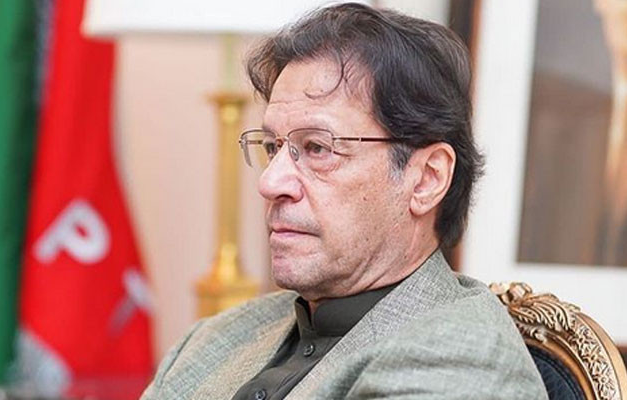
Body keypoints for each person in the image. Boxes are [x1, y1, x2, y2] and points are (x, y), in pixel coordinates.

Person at [142, 3, 547, 399]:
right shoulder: (210, 343)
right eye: (272, 147)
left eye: (317, 148)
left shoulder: (460, 359)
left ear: (427, 179)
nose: (270, 182)